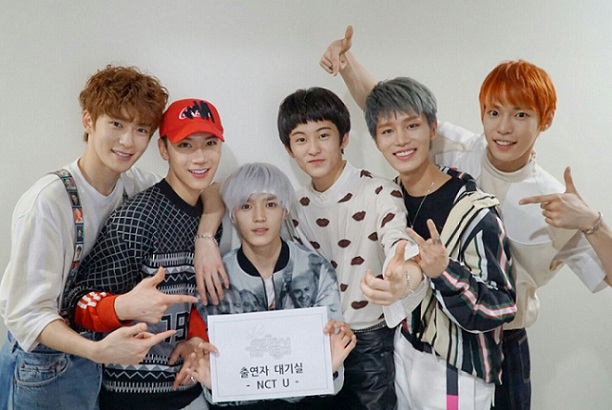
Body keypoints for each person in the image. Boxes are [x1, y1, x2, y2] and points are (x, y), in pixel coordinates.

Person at [320, 25, 610, 410]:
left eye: (521, 114)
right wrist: (346, 64)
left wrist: (592, 222)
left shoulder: (554, 202)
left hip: (501, 339)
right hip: (429, 334)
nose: (503, 127)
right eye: (494, 112)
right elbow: (393, 114)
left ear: (545, 119)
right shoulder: (458, 149)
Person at [0, 65, 177, 410]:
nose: (128, 141)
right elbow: (27, 314)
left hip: (105, 361)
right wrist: (96, 350)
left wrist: (206, 236)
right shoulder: (48, 203)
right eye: (117, 124)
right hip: (46, 368)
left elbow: (195, 191)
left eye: (141, 129)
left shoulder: (136, 185)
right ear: (88, 121)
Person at [64, 98, 225, 410]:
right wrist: (122, 306)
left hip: (190, 392)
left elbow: (194, 297)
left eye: (210, 144)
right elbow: (78, 302)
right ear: (164, 149)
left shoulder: (210, 221)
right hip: (130, 396)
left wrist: (195, 336)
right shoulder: (137, 219)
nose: (200, 157)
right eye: (185, 145)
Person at [277, 87, 425, 410]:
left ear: (344, 138)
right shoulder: (293, 207)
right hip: (318, 341)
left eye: (323, 135)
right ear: (289, 148)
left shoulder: (379, 192)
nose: (313, 148)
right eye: (301, 139)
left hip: (370, 341)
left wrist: (401, 273)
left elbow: (398, 241)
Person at [199, 162, 357, 409]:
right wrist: (215, 384)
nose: (259, 217)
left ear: (285, 210)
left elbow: (331, 370)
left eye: (270, 204)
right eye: (246, 206)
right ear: (232, 214)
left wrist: (330, 365)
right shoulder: (216, 276)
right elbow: (217, 377)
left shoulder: (315, 269)